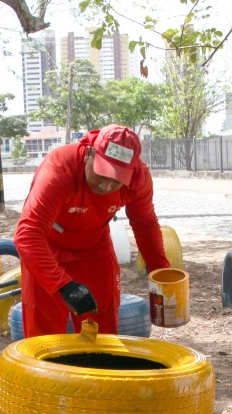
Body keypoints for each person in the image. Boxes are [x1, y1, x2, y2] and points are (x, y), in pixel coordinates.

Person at [13, 124, 171, 336]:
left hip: (95, 248)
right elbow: (28, 234)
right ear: (89, 153)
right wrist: (62, 285)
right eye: (102, 174)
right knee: (43, 336)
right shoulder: (60, 168)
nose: (106, 186)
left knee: (102, 331)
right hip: (46, 249)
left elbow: (145, 224)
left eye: (116, 180)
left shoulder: (139, 179)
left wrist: (160, 272)